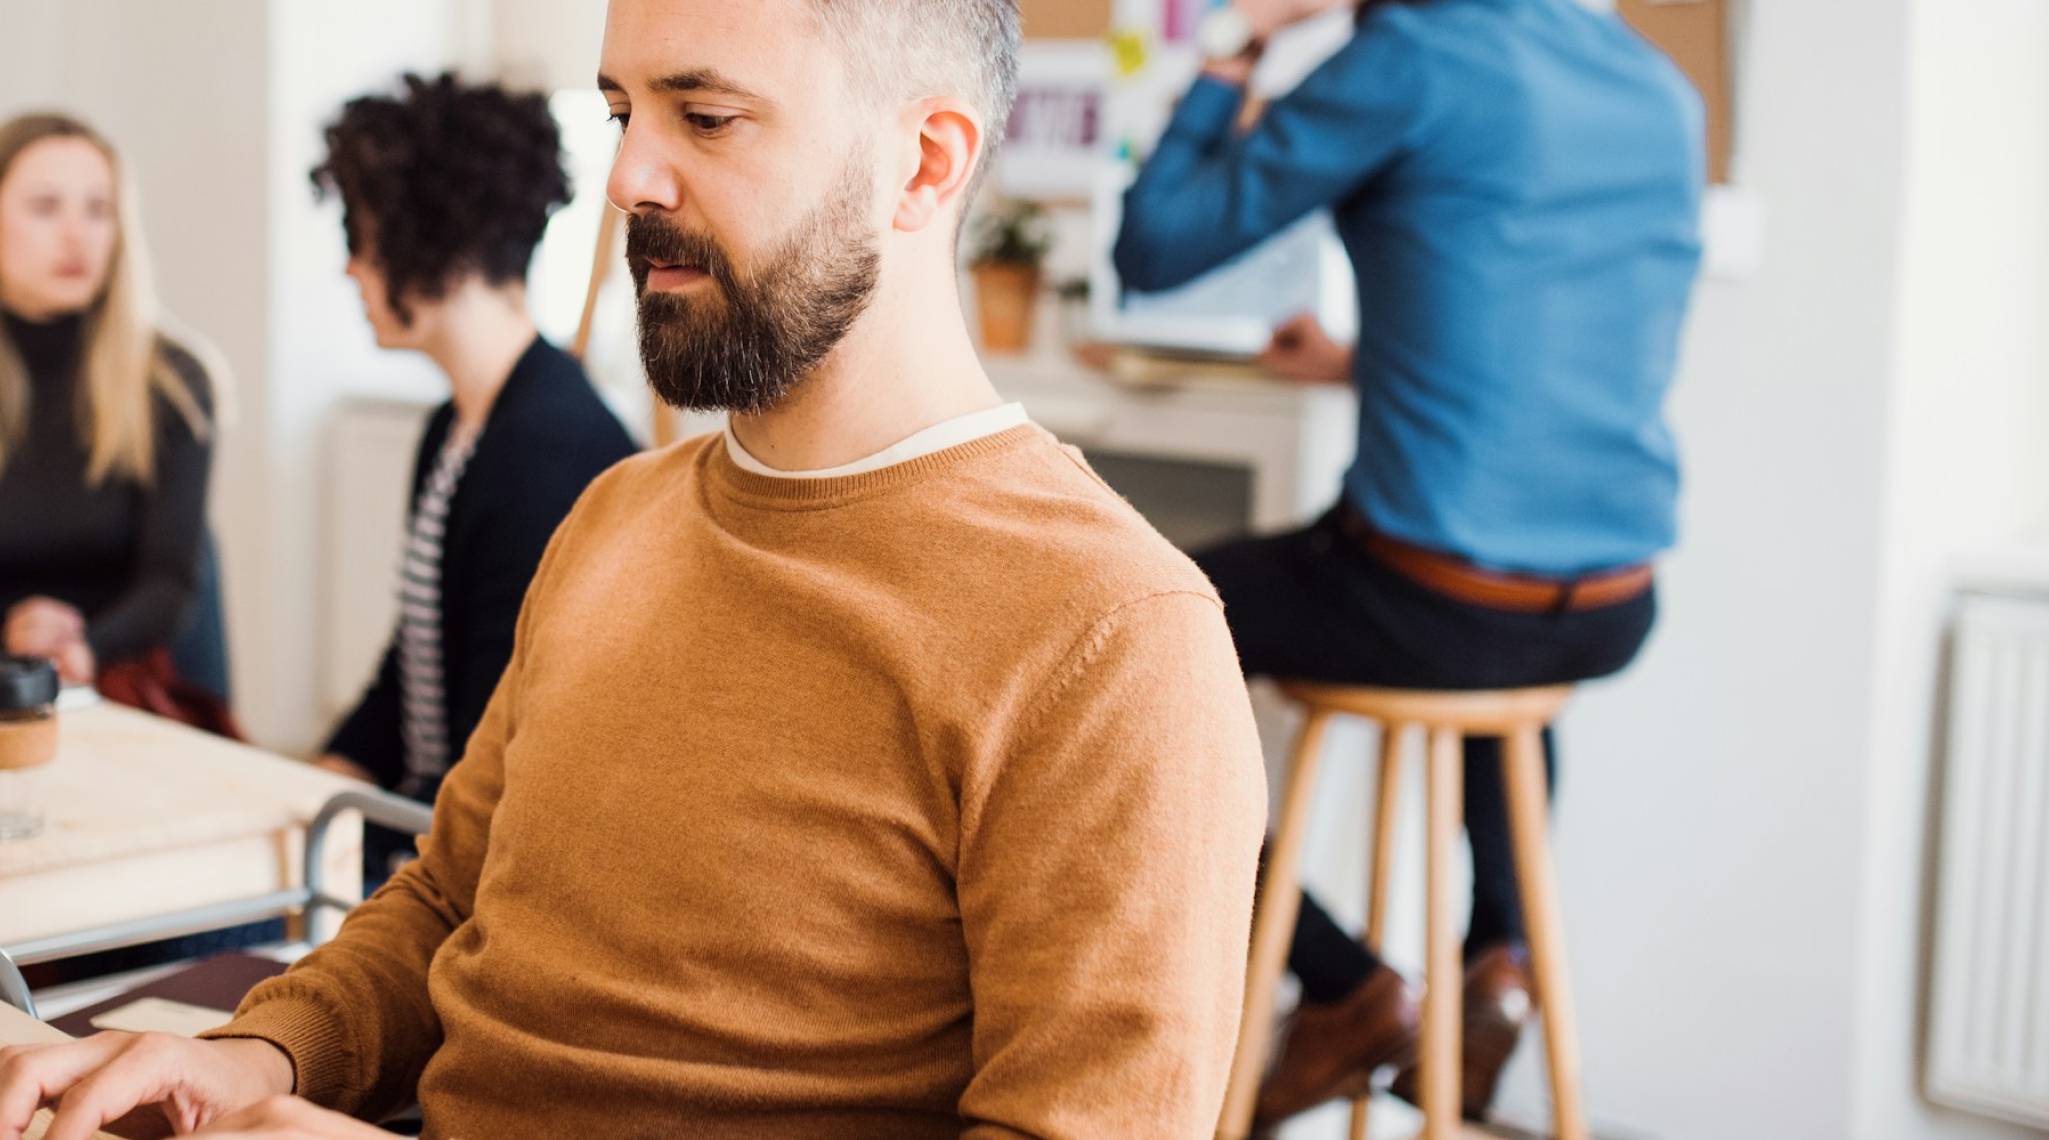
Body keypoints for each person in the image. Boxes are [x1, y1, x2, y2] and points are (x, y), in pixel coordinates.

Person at [0, 2, 1268, 1137]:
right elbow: (447, 904)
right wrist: (262, 1054)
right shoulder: (616, 519)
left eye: (705, 117)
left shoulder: (1111, 633)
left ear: (923, 163)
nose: (625, 178)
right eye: (620, 111)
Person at [1114, 0, 1704, 1127]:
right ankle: (1503, 962)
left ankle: (1347, 988)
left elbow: (1157, 241)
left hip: (1433, 599)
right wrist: (1355, 368)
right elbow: (1552, 341)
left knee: (1112, 644)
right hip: (1612, 599)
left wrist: (1241, 44)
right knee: (1493, 624)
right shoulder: (1653, 87)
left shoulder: (1414, 59)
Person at [303, 74, 637, 879]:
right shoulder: (456, 428)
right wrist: (318, 778)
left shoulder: (547, 452)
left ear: (432, 242)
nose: (351, 269)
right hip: (423, 826)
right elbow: (415, 665)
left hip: (477, 867)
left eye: (361, 235)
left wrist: (347, 837)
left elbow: (500, 762)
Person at [0, 113, 217, 695]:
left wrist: (80, 647)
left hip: (116, 682)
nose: (79, 235)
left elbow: (170, 585)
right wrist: (11, 629)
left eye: (98, 210)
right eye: (46, 207)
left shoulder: (173, 381)